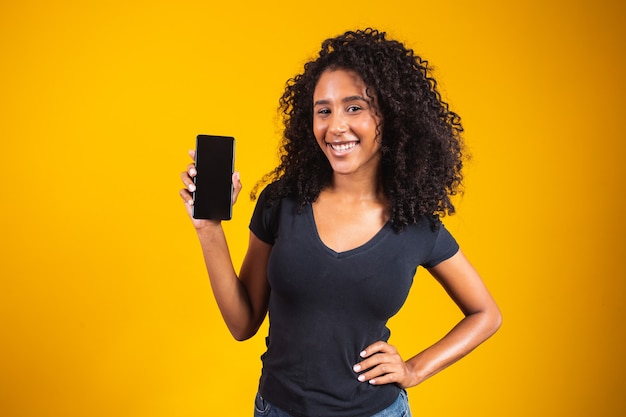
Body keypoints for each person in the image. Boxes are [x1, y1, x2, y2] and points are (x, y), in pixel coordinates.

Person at [180, 28, 501, 417]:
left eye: (354, 108)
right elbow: (243, 323)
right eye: (323, 110)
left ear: (389, 115)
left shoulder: (415, 224)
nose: (335, 127)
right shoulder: (281, 202)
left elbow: (486, 314)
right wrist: (208, 228)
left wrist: (414, 369)